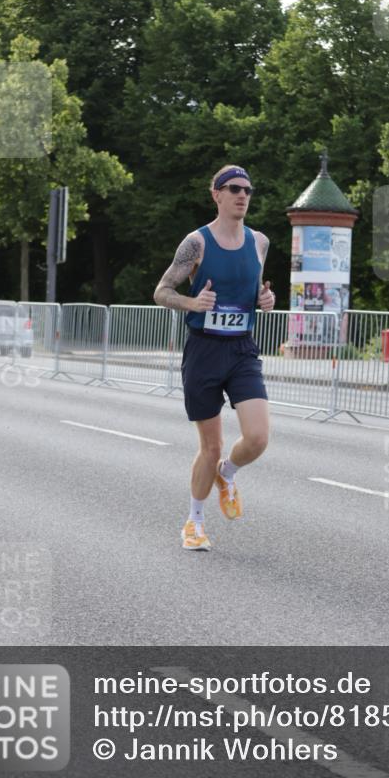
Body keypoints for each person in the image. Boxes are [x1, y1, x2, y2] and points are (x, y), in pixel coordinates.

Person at [153, 164, 275, 551]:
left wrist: (266, 299)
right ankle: (194, 522)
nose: (242, 195)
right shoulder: (197, 243)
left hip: (241, 349)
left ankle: (228, 473)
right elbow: (161, 291)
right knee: (211, 447)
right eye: (234, 189)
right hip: (204, 350)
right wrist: (193, 303)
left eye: (248, 190)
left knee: (257, 437)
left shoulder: (259, 242)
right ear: (216, 195)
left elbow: (253, 290)